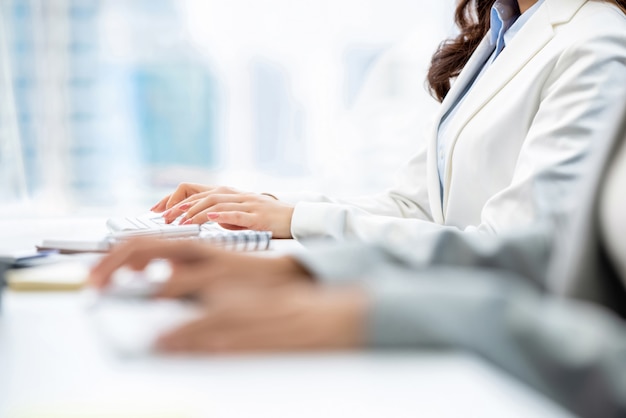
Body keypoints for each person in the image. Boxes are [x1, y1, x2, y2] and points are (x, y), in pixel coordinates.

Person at [90, 94, 626, 418]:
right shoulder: (502, 34)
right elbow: (548, 250)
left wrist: (394, 310)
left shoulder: (597, 39)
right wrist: (302, 260)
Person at [149, 0, 626, 250]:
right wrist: (270, 209)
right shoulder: (506, 31)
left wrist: (298, 221)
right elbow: (414, 205)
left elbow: (516, 247)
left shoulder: (595, 40)